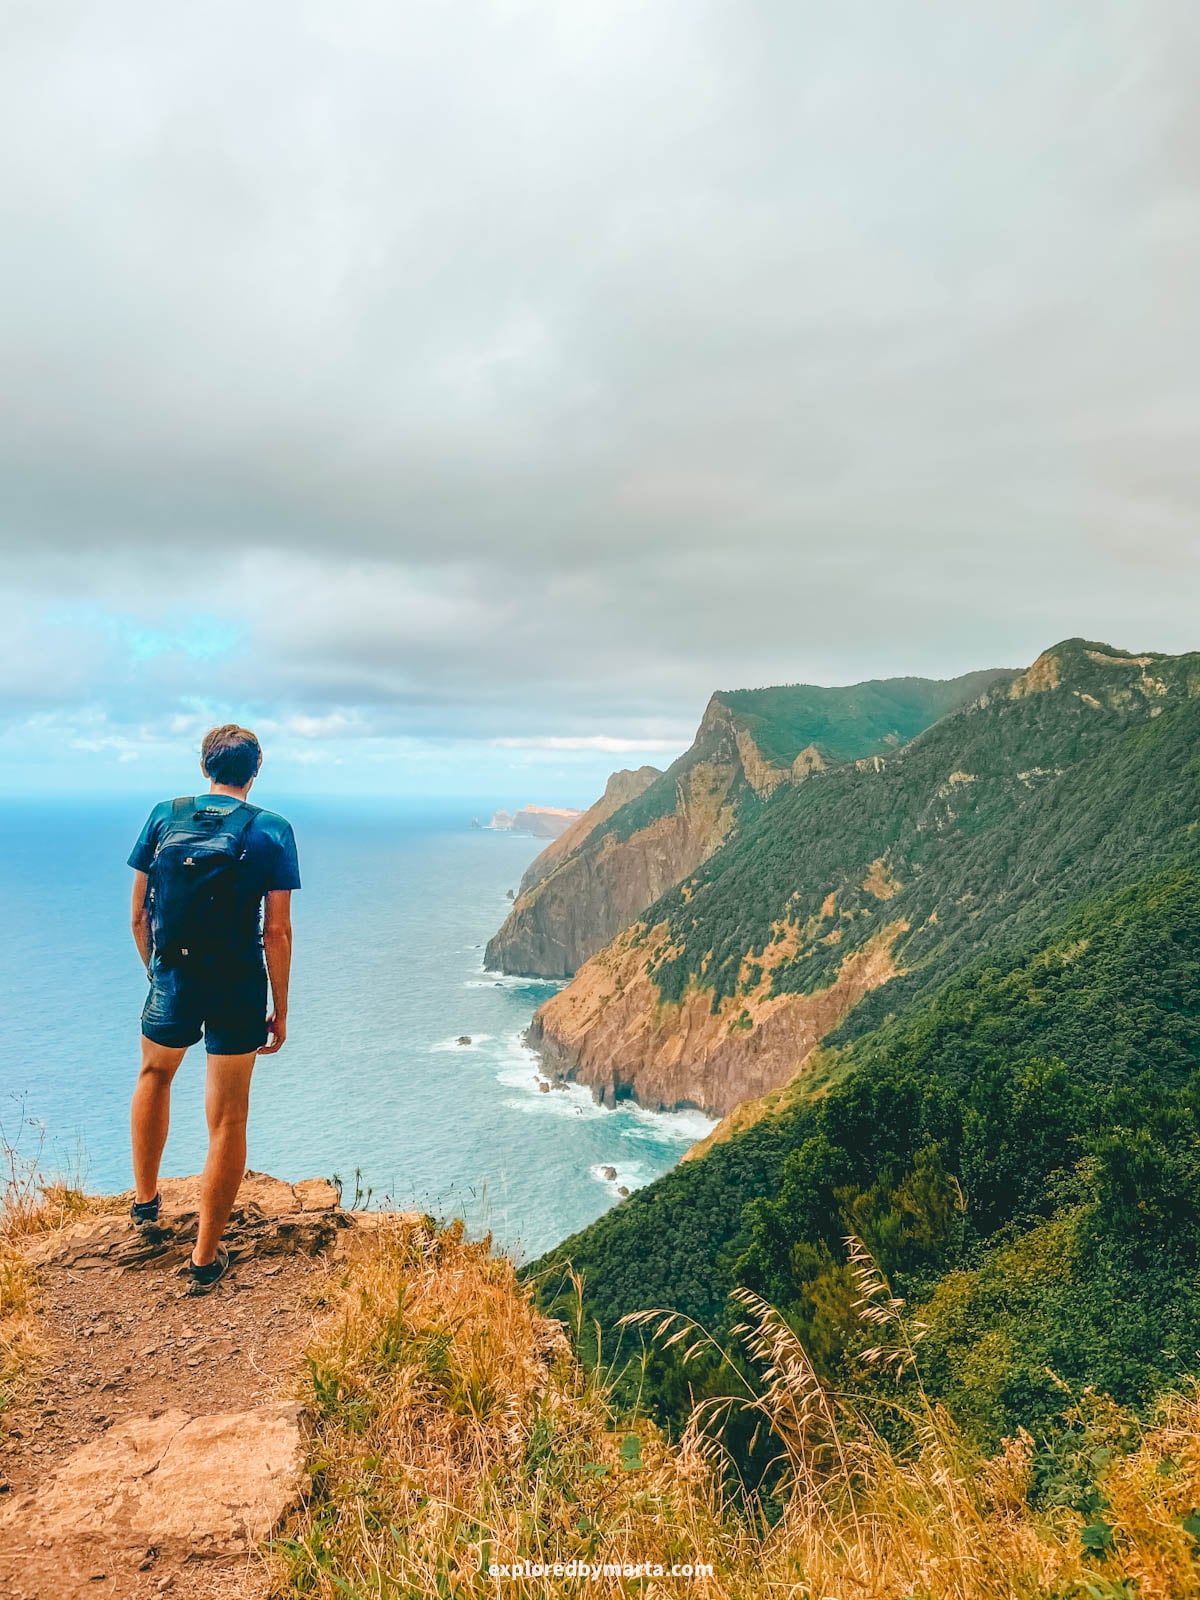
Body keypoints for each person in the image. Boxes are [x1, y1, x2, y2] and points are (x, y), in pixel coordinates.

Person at [126, 724, 300, 1294]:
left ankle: (146, 1205)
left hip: (174, 973)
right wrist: (280, 1007)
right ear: (256, 770)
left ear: (206, 766)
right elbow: (276, 931)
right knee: (228, 1118)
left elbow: (139, 915)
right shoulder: (272, 829)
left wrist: (157, 972)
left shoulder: (164, 815)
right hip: (237, 984)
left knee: (155, 1075)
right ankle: (204, 1258)